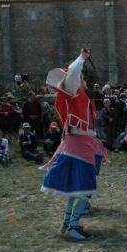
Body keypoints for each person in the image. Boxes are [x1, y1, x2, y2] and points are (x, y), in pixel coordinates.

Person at [41, 48, 109, 241]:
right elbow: (72, 74)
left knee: (77, 188)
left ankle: (68, 221)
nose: (83, 79)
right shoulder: (71, 93)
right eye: (80, 77)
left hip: (81, 143)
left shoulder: (79, 96)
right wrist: (82, 58)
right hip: (77, 144)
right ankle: (73, 226)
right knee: (85, 187)